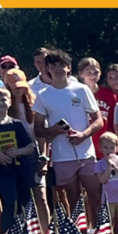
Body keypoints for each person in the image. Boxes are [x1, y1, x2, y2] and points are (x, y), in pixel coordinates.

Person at [32, 50, 103, 207]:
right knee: (73, 198)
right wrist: (54, 130)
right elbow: (38, 130)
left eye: (61, 65)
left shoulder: (82, 90)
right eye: (53, 65)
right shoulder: (43, 95)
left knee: (95, 194)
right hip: (61, 156)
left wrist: (83, 135)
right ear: (47, 69)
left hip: (86, 153)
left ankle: (98, 230)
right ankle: (80, 232)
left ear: (69, 68)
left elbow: (98, 121)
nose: (58, 69)